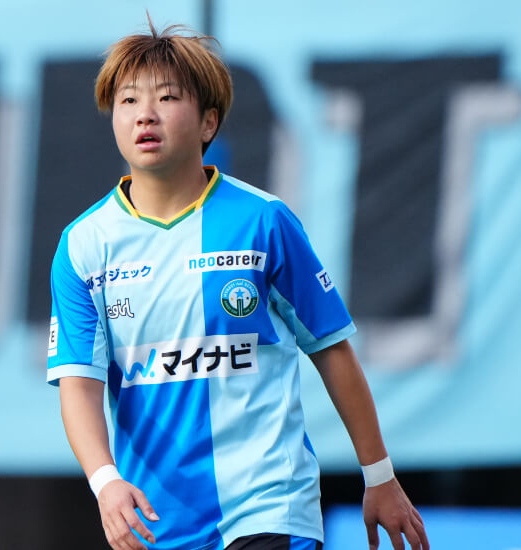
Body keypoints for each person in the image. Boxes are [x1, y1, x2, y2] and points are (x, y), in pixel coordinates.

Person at [47, 18, 429, 550]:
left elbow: (332, 349)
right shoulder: (83, 245)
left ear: (209, 122)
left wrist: (380, 475)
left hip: (269, 504)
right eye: (128, 100)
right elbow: (78, 385)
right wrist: (105, 481)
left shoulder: (264, 221)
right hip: (156, 522)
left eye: (167, 97)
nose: (145, 114)